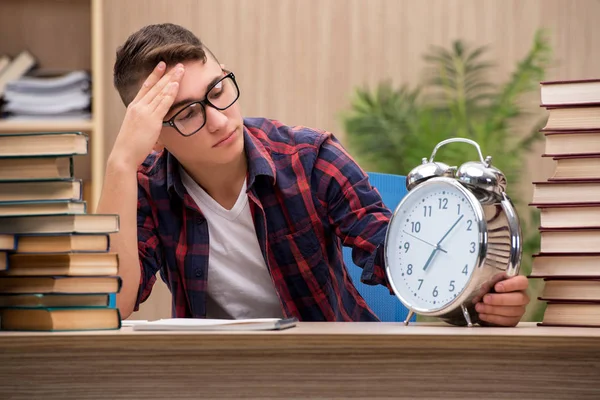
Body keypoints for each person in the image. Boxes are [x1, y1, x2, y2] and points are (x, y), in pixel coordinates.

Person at [97, 23, 529, 325]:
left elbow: (396, 258)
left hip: (331, 373)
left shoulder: (310, 158)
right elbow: (114, 303)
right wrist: (120, 163)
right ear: (154, 135)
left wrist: (483, 299)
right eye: (189, 112)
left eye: (217, 90)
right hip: (217, 378)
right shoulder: (146, 187)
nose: (219, 120)